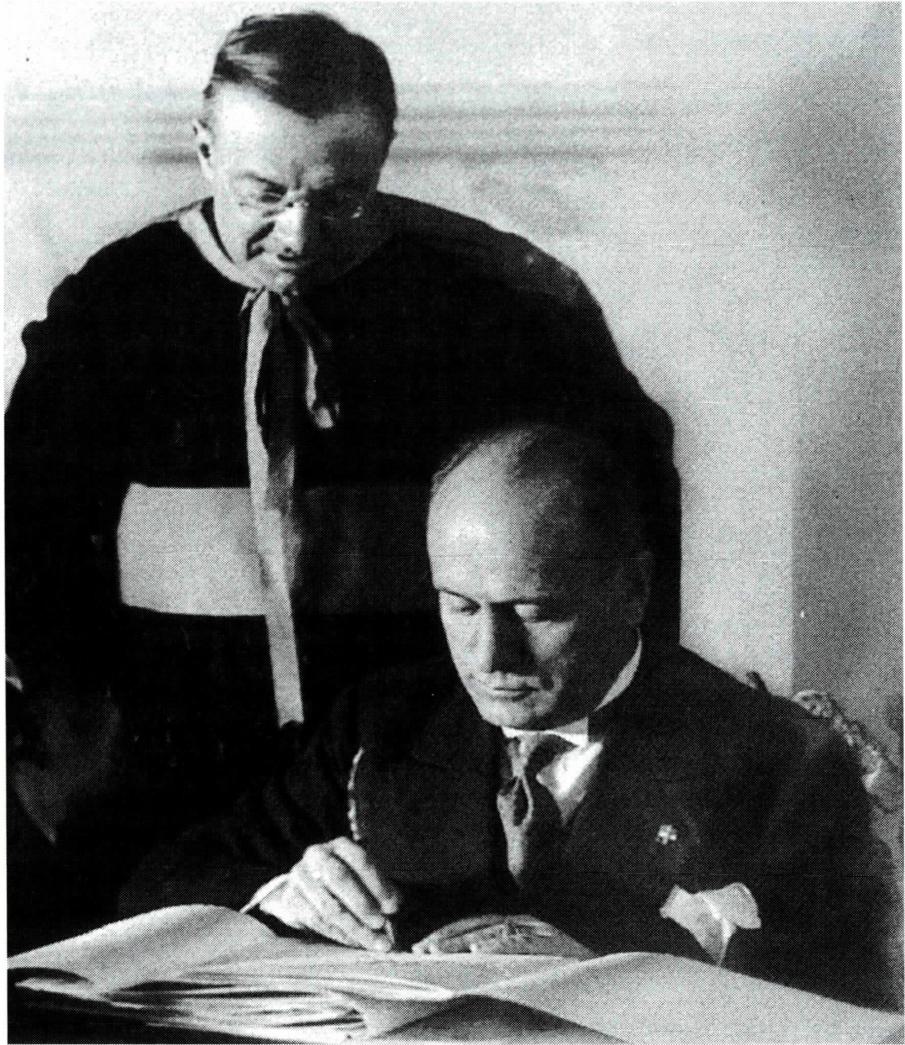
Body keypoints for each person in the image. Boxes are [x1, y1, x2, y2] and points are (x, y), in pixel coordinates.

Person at [6, 12, 678, 845]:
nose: (298, 235)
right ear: (204, 149)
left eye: (339, 197)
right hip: (167, 791)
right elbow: (29, 550)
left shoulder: (503, 307)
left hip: (427, 783)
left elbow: (624, 531)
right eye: (263, 194)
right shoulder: (108, 313)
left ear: (383, 154)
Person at [121, 424, 895, 1010]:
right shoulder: (387, 720)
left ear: (632, 589)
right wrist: (281, 889)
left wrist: (614, 967)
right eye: (460, 606)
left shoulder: (776, 757)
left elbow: (843, 1000)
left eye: (535, 610)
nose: (492, 655)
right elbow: (160, 880)